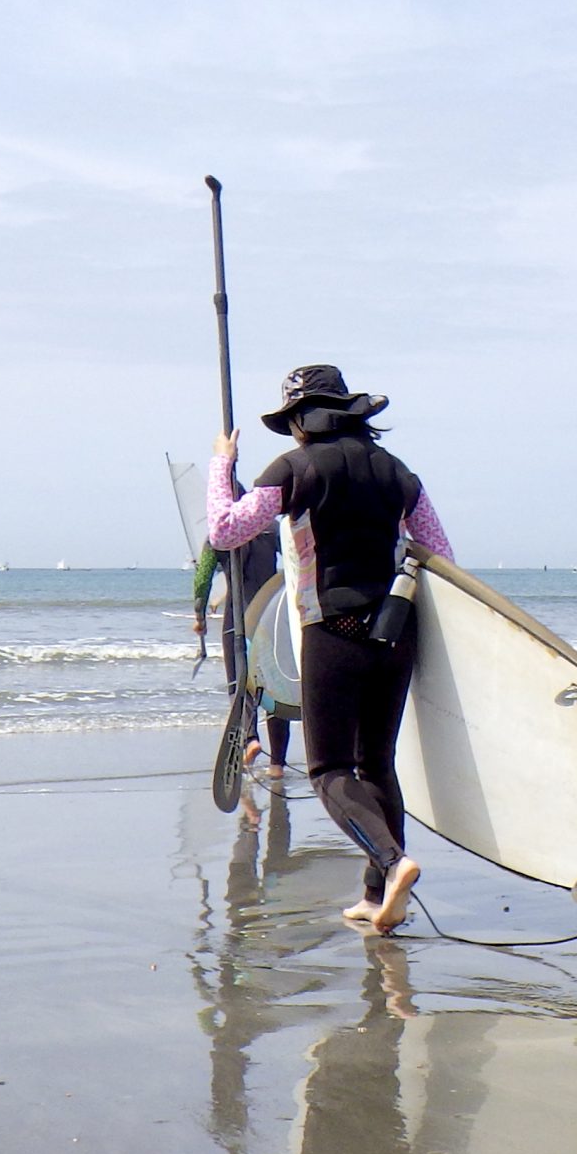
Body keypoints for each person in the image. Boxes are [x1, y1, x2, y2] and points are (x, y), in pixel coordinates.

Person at [206, 363, 454, 931]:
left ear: (299, 421)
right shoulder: (396, 472)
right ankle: (376, 895)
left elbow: (224, 530)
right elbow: (438, 551)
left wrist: (223, 463)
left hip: (331, 629)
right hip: (395, 630)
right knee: (376, 764)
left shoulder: (295, 467)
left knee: (328, 768)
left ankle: (392, 865)